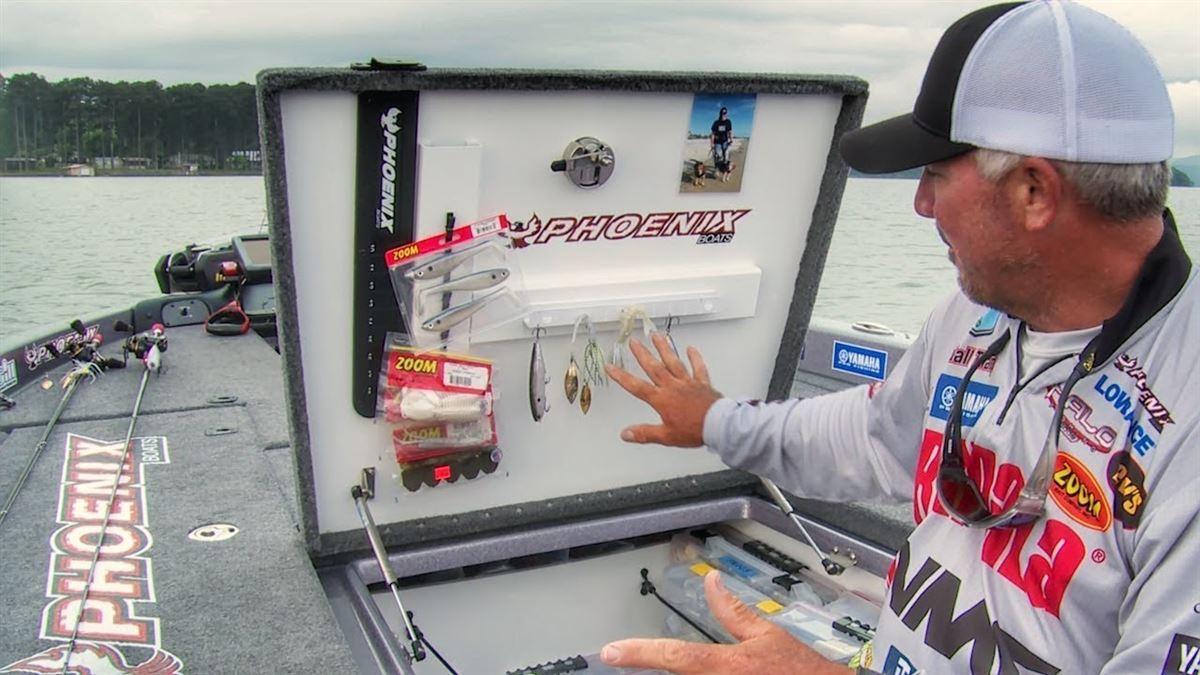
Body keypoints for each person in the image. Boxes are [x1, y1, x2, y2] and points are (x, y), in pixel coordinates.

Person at [600, 1, 1197, 673]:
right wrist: (715, 420)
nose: (920, 204)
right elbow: (878, 436)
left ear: (1034, 192)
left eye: (935, 175)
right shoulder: (975, 315)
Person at [711, 107, 734, 181]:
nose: (723, 114)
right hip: (717, 142)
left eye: (725, 113)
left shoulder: (728, 122)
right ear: (720, 114)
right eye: (722, 113)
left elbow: (730, 132)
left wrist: (731, 139)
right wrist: (712, 143)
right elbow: (713, 134)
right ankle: (716, 169)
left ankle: (725, 170)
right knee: (718, 156)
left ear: (726, 113)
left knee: (726, 157)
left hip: (725, 142)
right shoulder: (716, 122)